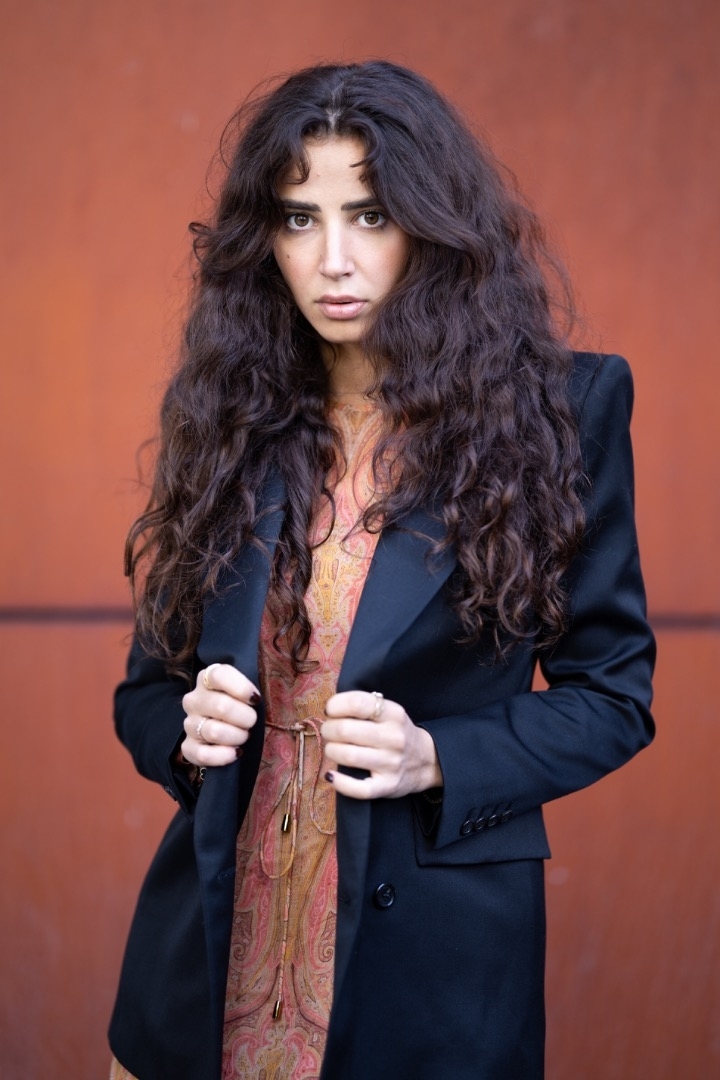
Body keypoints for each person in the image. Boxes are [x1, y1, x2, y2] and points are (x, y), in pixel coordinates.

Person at [108, 60, 655, 1080]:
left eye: (370, 215)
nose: (334, 259)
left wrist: (437, 756)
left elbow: (613, 696)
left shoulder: (563, 409)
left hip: (432, 977)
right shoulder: (227, 411)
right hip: (208, 965)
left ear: (432, 225)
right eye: (299, 219)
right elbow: (145, 694)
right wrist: (185, 732)